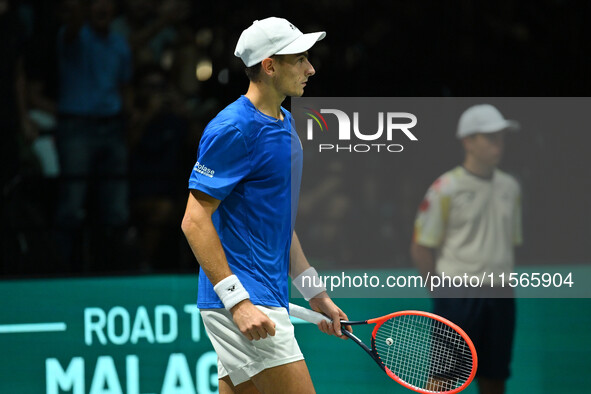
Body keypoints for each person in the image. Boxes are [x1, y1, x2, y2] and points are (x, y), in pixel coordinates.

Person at [181, 17, 349, 394]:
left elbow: (277, 222)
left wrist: (315, 293)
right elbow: (194, 220)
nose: (311, 68)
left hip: (267, 298)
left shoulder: (286, 124)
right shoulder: (233, 129)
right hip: (247, 300)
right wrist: (238, 303)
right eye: (300, 59)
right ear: (270, 66)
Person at [411, 104, 522, 394]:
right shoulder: (445, 188)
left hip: (501, 295)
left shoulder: (511, 188)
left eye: (501, 137)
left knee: (495, 377)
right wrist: (442, 291)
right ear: (468, 141)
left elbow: (510, 244)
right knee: (443, 380)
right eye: (490, 137)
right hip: (457, 295)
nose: (499, 144)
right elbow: (421, 247)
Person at [53, 0, 132, 272]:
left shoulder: (120, 44)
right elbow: (73, 24)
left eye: (108, 4)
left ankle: (115, 269)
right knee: (72, 207)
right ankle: (62, 269)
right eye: (96, 3)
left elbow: (125, 88)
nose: (102, 9)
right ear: (86, 9)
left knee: (116, 209)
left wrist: (128, 126)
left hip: (112, 128)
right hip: (77, 128)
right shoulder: (72, 35)